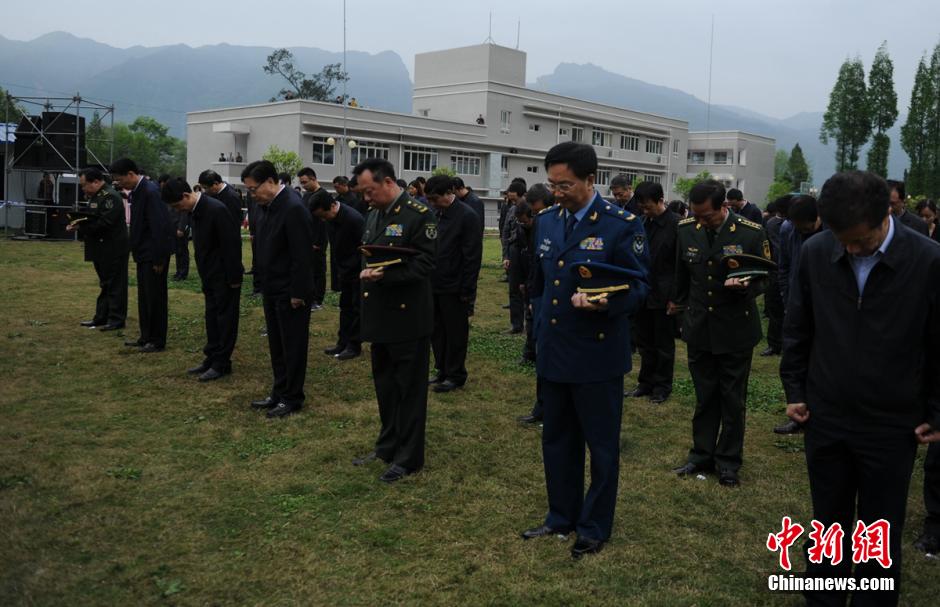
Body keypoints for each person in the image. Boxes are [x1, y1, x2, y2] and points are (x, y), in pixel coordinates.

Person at [780, 170, 940, 605]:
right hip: (826, 415)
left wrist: (935, 411)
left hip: (891, 421)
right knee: (828, 523)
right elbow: (799, 326)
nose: (850, 249)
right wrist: (795, 389)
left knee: (879, 530)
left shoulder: (927, 260)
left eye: (860, 240)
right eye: (840, 239)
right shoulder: (816, 253)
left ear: (887, 213)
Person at [521, 141, 649, 559]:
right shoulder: (546, 222)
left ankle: (594, 526)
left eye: (566, 185)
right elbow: (541, 284)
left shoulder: (620, 223)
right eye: (553, 184)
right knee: (557, 440)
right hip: (555, 350)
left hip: (596, 355)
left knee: (601, 445)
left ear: (591, 180)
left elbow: (639, 286)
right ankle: (561, 516)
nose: (557, 192)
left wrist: (604, 303)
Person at [670, 179, 771, 487]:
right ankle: (700, 454)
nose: (701, 222)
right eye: (696, 215)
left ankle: (728, 461)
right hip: (700, 326)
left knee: (732, 398)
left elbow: (766, 276)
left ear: (724, 207)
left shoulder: (750, 232)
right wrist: (677, 307)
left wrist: (746, 287)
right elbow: (681, 275)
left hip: (735, 328)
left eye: (707, 217)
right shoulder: (686, 229)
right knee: (704, 396)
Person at [351, 158, 436, 483]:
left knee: (409, 390)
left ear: (388, 183)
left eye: (370, 191)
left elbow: (426, 263)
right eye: (363, 193)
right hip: (380, 317)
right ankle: (387, 445)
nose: (366, 198)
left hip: (408, 318)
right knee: (386, 387)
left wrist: (384, 275)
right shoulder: (374, 214)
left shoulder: (419, 214)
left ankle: (409, 457)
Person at [242, 160, 315, 418]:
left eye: (253, 189)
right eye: (248, 191)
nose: (252, 195)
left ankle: (292, 396)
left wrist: (298, 292)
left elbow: (302, 256)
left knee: (292, 345)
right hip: (272, 287)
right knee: (277, 343)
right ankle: (279, 390)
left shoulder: (293, 207)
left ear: (271, 182)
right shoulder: (266, 206)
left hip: (290, 290)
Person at [161, 178, 243, 381]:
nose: (179, 210)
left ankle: (222, 363)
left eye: (178, 206)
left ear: (186, 196)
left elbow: (232, 245)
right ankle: (212, 356)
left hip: (224, 276)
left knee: (225, 320)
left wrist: (233, 277)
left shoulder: (216, 209)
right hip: (209, 274)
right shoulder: (194, 211)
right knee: (211, 317)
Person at [773, 195, 825, 435]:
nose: (799, 230)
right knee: (794, 359)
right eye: (795, 225)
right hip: (795, 303)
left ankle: (820, 414)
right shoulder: (787, 229)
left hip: (824, 308)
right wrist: (787, 297)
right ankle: (798, 411)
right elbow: (783, 266)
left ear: (817, 218)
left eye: (804, 226)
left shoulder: (830, 234)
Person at [425, 175, 482, 393]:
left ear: (449, 194)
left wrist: (468, 291)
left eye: (435, 198)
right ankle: (442, 369)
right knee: (437, 330)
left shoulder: (467, 216)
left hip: (455, 287)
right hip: (434, 283)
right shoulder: (436, 214)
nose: (431, 202)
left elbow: (472, 257)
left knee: (455, 332)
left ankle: (455, 374)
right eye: (429, 198)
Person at [111, 158, 174, 353]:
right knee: (145, 297)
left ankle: (156, 340)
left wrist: (159, 258)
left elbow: (160, 227)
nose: (119, 184)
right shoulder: (138, 191)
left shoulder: (150, 191)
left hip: (153, 255)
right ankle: (146, 336)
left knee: (155, 298)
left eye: (120, 180)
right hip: (143, 254)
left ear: (131, 174)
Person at [626, 181, 678, 404]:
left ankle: (662, 386)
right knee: (644, 341)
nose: (645, 211)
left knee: (663, 344)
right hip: (643, 292)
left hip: (665, 294)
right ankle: (645, 382)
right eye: (642, 208)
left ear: (660, 200)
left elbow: (680, 265)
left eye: (649, 206)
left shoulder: (677, 226)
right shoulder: (640, 224)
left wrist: (676, 297)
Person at [68, 167, 129, 331]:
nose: (83, 189)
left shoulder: (110, 196)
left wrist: (81, 226)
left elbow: (105, 223)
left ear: (96, 181)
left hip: (113, 247)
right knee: (105, 284)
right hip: (100, 247)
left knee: (115, 284)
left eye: (84, 185)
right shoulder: (96, 196)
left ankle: (116, 319)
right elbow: (92, 218)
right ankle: (101, 317)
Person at [309, 190, 365, 360]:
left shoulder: (354, 219)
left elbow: (363, 248)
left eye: (324, 215)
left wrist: (357, 269)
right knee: (345, 307)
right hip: (344, 270)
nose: (323, 220)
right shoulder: (330, 219)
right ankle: (343, 342)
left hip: (357, 271)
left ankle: (354, 345)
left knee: (356, 309)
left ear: (332, 205)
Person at [516, 184, 554, 425]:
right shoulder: (544, 221)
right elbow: (536, 260)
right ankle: (542, 406)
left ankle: (554, 409)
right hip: (542, 297)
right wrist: (532, 296)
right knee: (543, 354)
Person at [760, 195, 791, 357]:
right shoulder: (772, 224)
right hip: (775, 271)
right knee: (774, 310)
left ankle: (788, 344)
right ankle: (774, 344)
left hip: (789, 272)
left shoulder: (794, 225)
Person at [297, 167, 331, 311]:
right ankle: (308, 295)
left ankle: (318, 299)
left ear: (313, 179)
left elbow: (325, 221)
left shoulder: (324, 196)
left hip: (317, 241)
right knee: (307, 270)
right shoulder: (306, 196)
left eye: (305, 182)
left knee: (318, 270)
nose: (303, 186)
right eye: (301, 183)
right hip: (306, 239)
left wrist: (318, 242)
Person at [502, 180, 527, 332]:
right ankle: (516, 324)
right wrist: (506, 255)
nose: (509, 195)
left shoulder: (530, 207)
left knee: (527, 288)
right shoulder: (512, 209)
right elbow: (506, 231)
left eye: (510, 192)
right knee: (514, 288)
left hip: (526, 251)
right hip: (513, 251)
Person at [158, 174, 190, 282]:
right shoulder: (169, 195)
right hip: (173, 227)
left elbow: (184, 213)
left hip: (180, 227)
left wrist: (181, 228)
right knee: (177, 250)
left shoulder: (179, 194)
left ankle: (183, 272)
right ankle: (178, 271)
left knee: (183, 251)